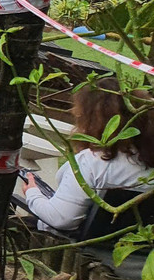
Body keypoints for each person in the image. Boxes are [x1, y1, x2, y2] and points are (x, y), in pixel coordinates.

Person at [22, 77, 154, 232]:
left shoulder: (91, 163)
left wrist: (32, 193)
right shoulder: (145, 158)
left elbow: (61, 219)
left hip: (78, 239)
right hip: (138, 238)